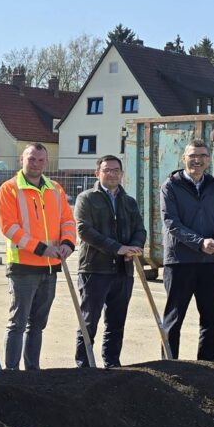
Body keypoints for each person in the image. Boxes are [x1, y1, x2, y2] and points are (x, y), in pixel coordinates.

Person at [0, 143, 77, 370]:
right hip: (23, 267)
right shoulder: (9, 189)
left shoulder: (55, 189)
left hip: (50, 268)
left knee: (38, 325)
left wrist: (68, 243)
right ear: (22, 159)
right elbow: (9, 227)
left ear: (46, 162)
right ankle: (11, 372)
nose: (36, 164)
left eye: (41, 160)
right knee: (18, 324)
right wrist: (41, 248)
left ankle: (33, 372)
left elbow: (68, 221)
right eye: (32, 159)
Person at [160, 138, 214, 360]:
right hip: (180, 262)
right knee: (174, 317)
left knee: (212, 318)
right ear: (184, 158)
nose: (197, 160)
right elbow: (171, 222)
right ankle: (169, 365)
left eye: (202, 156)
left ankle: (208, 365)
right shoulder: (171, 186)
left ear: (209, 160)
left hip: (210, 262)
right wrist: (199, 242)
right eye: (193, 155)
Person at [72, 155, 146, 368]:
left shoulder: (129, 201)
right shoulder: (87, 199)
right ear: (98, 173)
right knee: (89, 321)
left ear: (122, 174)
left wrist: (135, 246)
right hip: (95, 270)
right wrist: (117, 248)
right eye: (107, 170)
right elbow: (84, 231)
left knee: (116, 321)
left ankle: (112, 362)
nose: (112, 174)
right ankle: (83, 365)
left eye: (116, 170)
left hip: (123, 271)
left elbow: (140, 230)